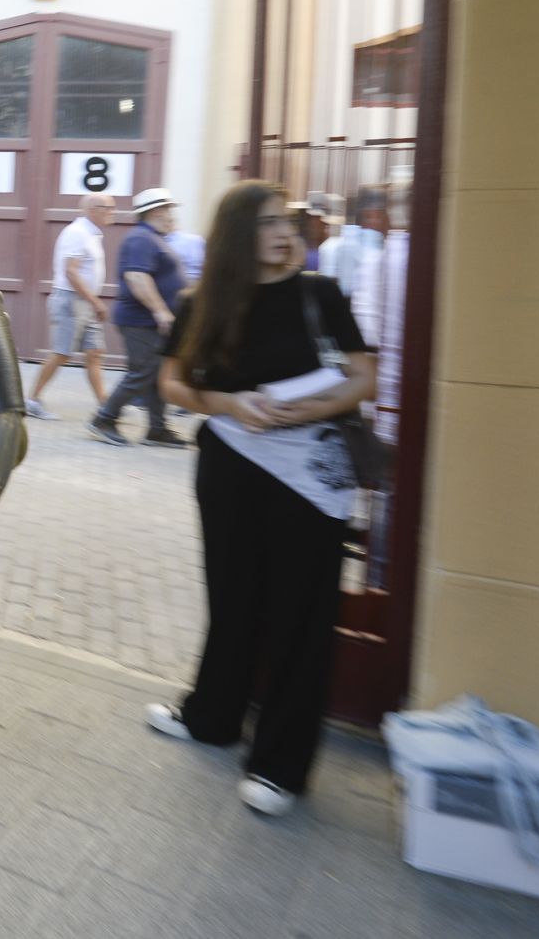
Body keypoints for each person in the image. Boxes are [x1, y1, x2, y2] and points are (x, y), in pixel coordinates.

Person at [149, 180, 377, 815]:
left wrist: (303, 408)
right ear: (237, 234)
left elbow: (363, 378)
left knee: (301, 619)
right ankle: (211, 717)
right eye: (270, 223)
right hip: (230, 466)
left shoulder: (320, 295)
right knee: (232, 599)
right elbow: (171, 381)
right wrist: (226, 403)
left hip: (308, 472)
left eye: (290, 223)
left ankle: (280, 767)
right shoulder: (205, 302)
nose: (286, 234)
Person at [89, 187, 189, 448]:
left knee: (157, 375)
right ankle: (104, 419)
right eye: (168, 210)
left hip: (148, 321)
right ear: (155, 211)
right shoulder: (141, 239)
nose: (171, 216)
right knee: (142, 373)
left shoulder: (152, 238)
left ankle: (157, 429)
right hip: (140, 321)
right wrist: (160, 311)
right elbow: (137, 276)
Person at [25, 193, 114, 420]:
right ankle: (32, 400)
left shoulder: (91, 234)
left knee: (94, 353)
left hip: (85, 302)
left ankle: (105, 407)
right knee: (61, 353)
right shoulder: (77, 233)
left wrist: (92, 302)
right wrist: (96, 302)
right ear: (94, 209)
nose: (113, 212)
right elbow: (71, 272)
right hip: (71, 301)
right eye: (109, 208)